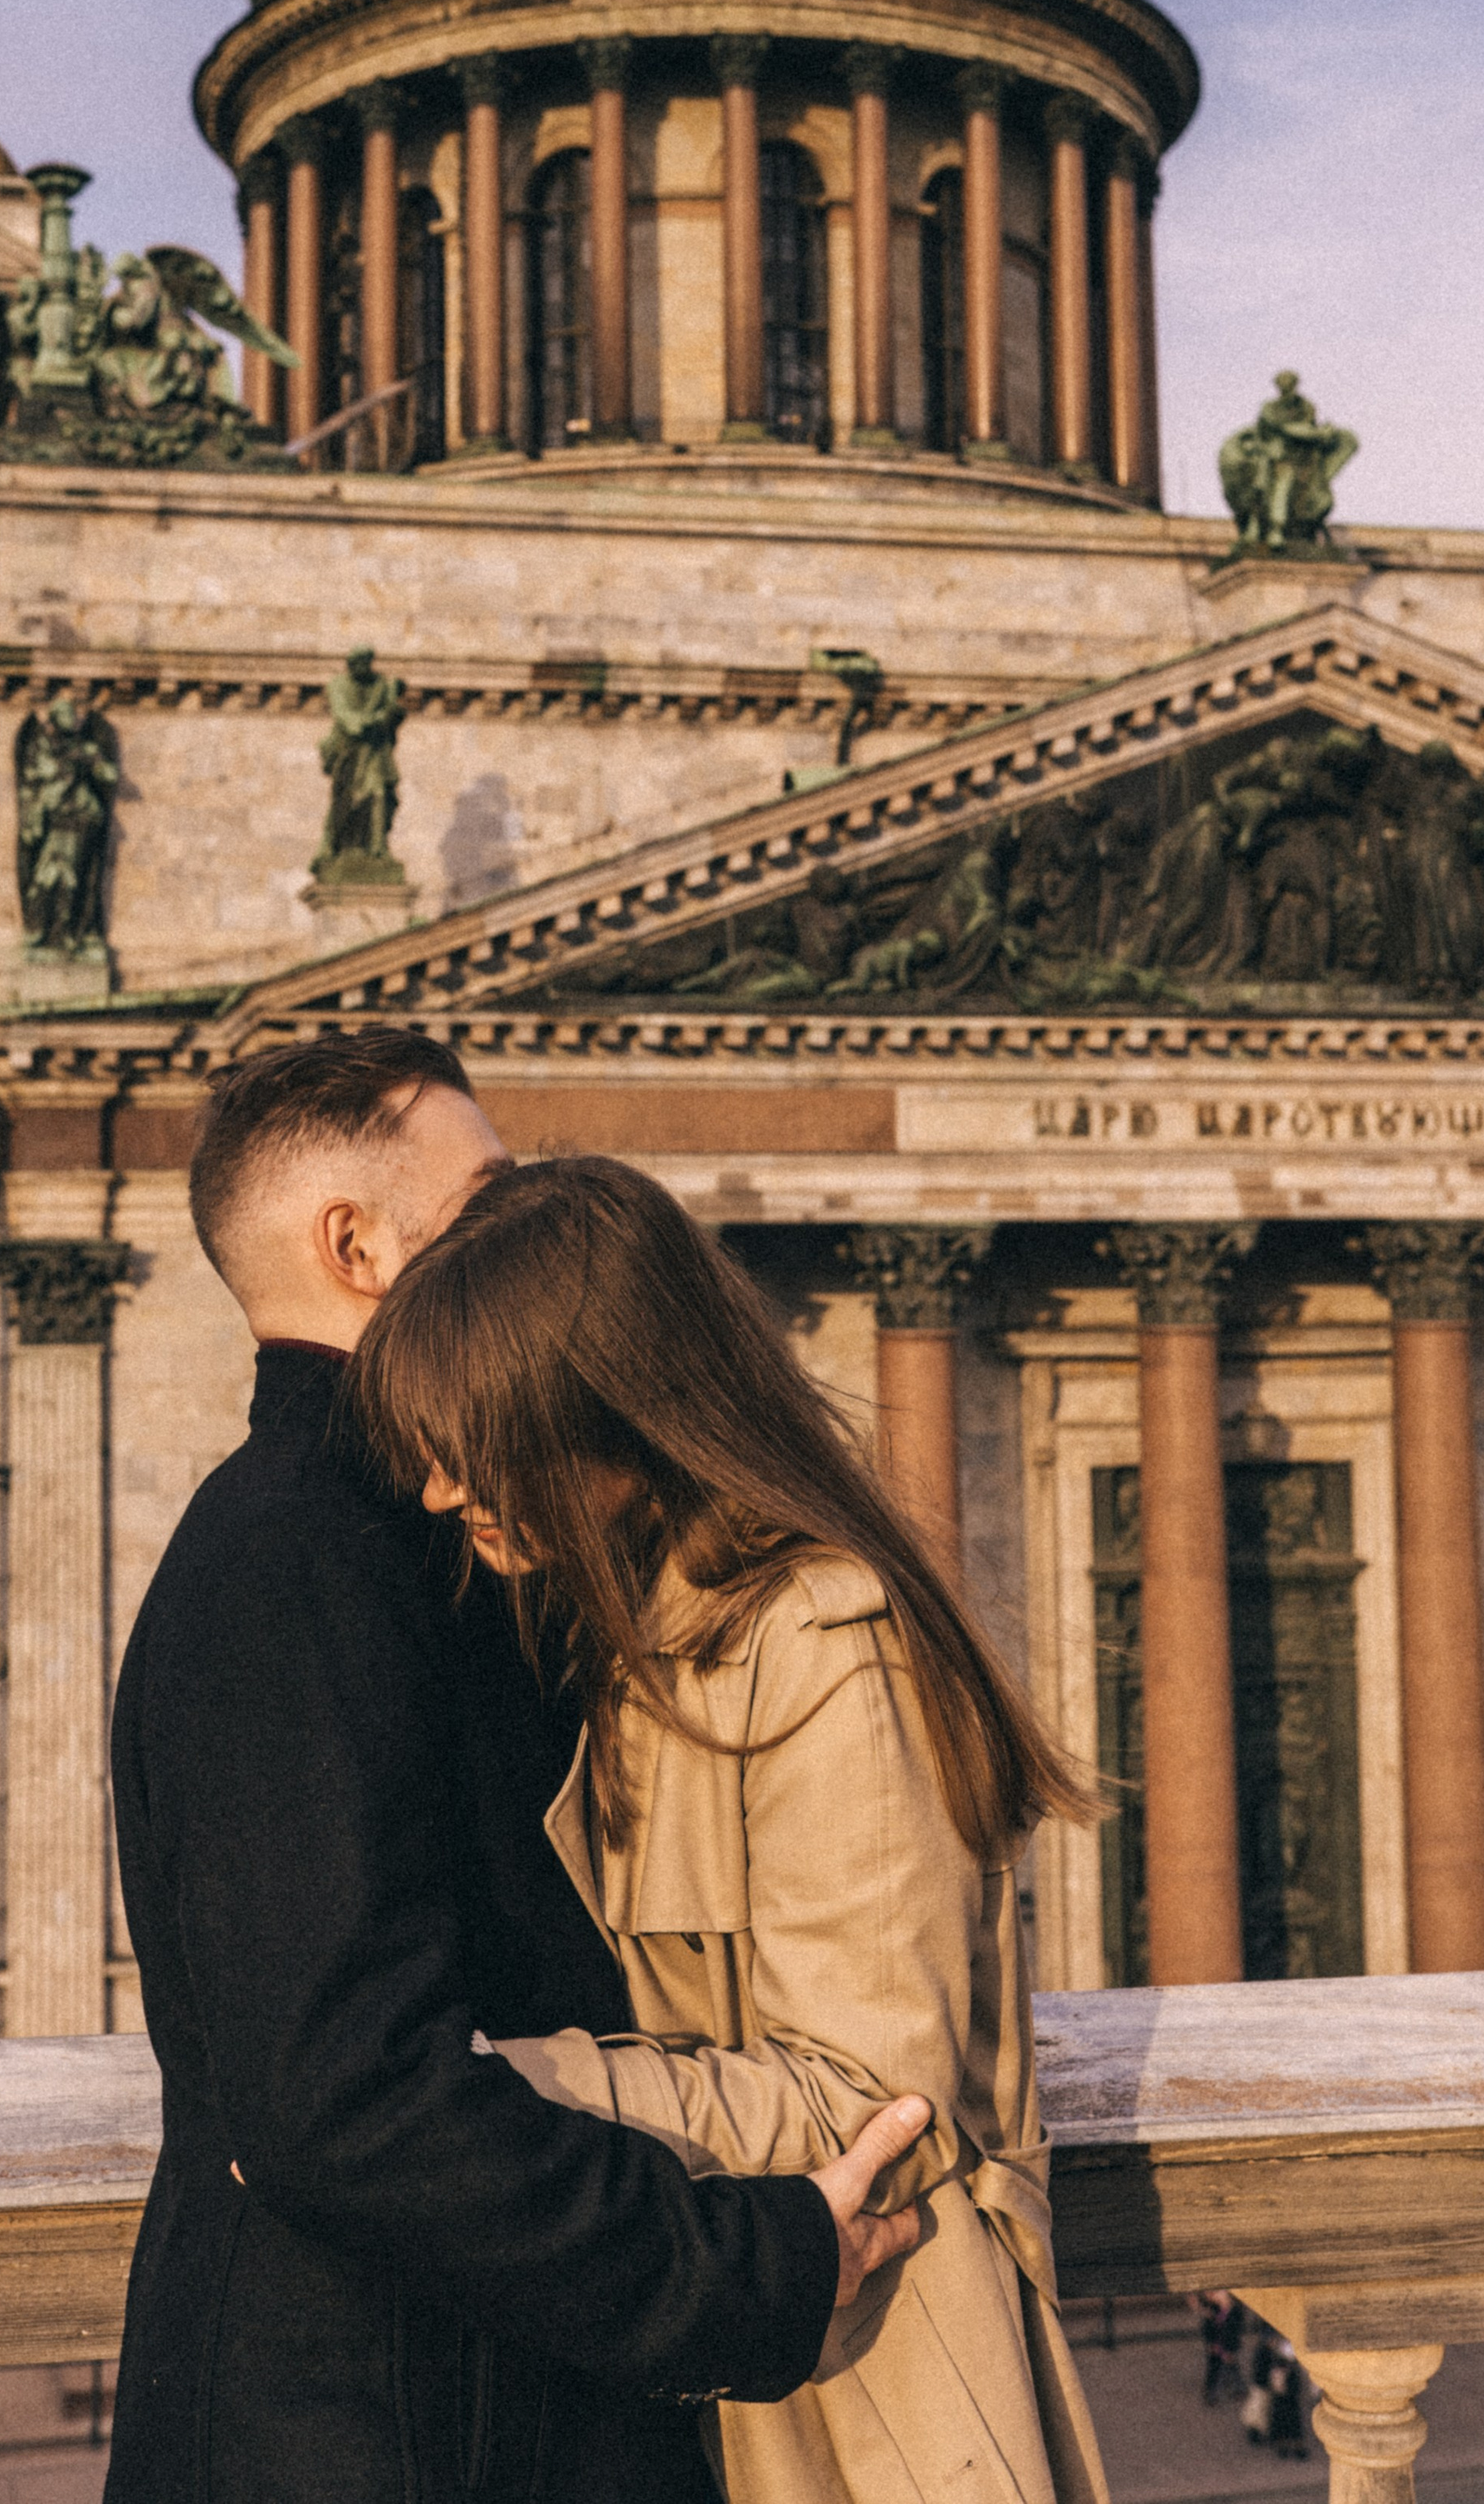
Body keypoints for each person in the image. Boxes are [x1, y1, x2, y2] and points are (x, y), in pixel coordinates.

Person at [107, 1031, 930, 2504]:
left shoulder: (413, 1538)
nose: (523, 1220)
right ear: (355, 1246)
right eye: (483, 1197)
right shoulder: (304, 1562)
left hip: (452, 2409)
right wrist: (749, 2271)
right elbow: (343, 2101)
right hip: (387, 2436)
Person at [350, 1152, 1112, 2504]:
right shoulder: (630, 1626)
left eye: (479, 1435)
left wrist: (472, 2093)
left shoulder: (825, 1645)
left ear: (617, 1406)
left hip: (876, 2399)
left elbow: (874, 2101)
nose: (439, 1489)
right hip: (725, 2339)